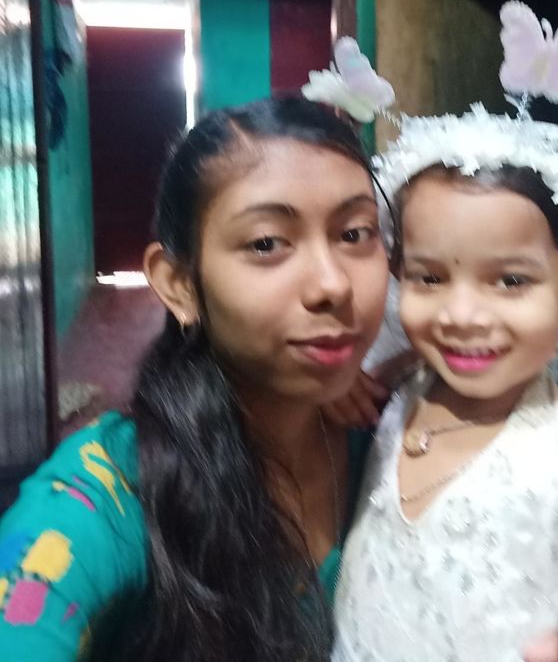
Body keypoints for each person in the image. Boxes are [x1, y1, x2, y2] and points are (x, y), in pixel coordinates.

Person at [0, 96, 391, 662]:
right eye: (266, 243)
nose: (333, 284)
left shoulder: (394, 436)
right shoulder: (114, 490)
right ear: (179, 284)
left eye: (355, 234)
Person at [331, 3, 558, 661]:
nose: (463, 315)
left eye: (510, 281)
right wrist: (341, 386)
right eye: (429, 277)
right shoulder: (398, 389)